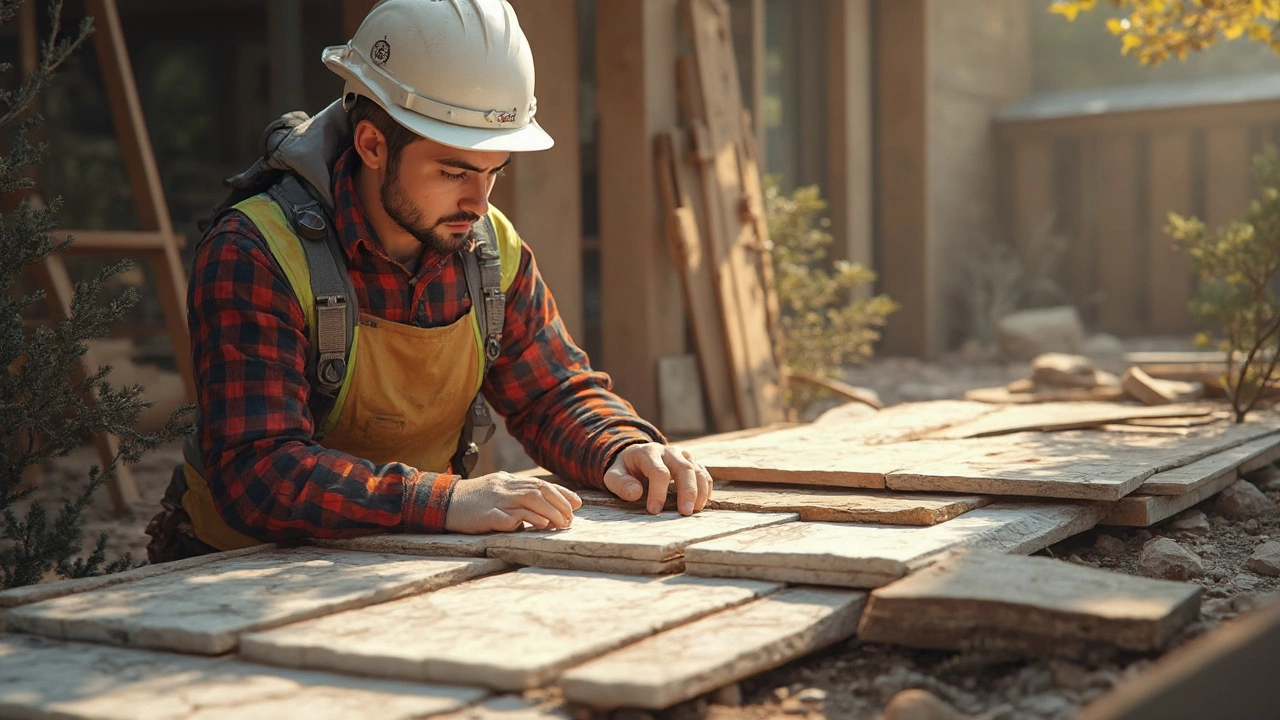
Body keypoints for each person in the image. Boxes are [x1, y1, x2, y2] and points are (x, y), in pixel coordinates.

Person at [144, 0, 711, 562]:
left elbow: (551, 393)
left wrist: (622, 446)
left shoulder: (490, 248)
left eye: (494, 172)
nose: (479, 201)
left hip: (408, 558)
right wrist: (444, 501)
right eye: (453, 171)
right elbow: (259, 472)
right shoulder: (256, 252)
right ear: (372, 145)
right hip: (229, 572)